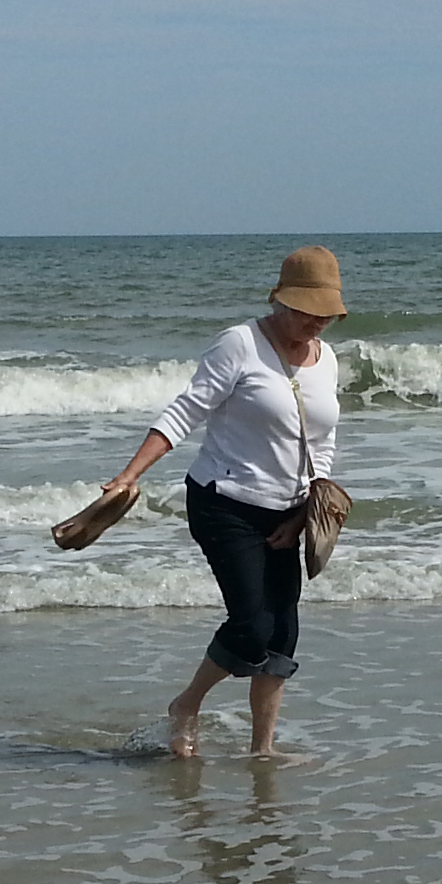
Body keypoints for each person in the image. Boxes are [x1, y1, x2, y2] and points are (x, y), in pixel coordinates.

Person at [98, 245, 345, 759]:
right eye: (308, 312)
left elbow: (321, 443)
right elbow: (185, 411)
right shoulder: (239, 344)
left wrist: (306, 511)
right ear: (280, 301)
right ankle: (186, 704)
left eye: (326, 314)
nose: (316, 323)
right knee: (252, 627)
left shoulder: (327, 360)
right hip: (224, 502)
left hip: (287, 511)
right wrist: (129, 475)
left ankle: (262, 751)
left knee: (283, 634)